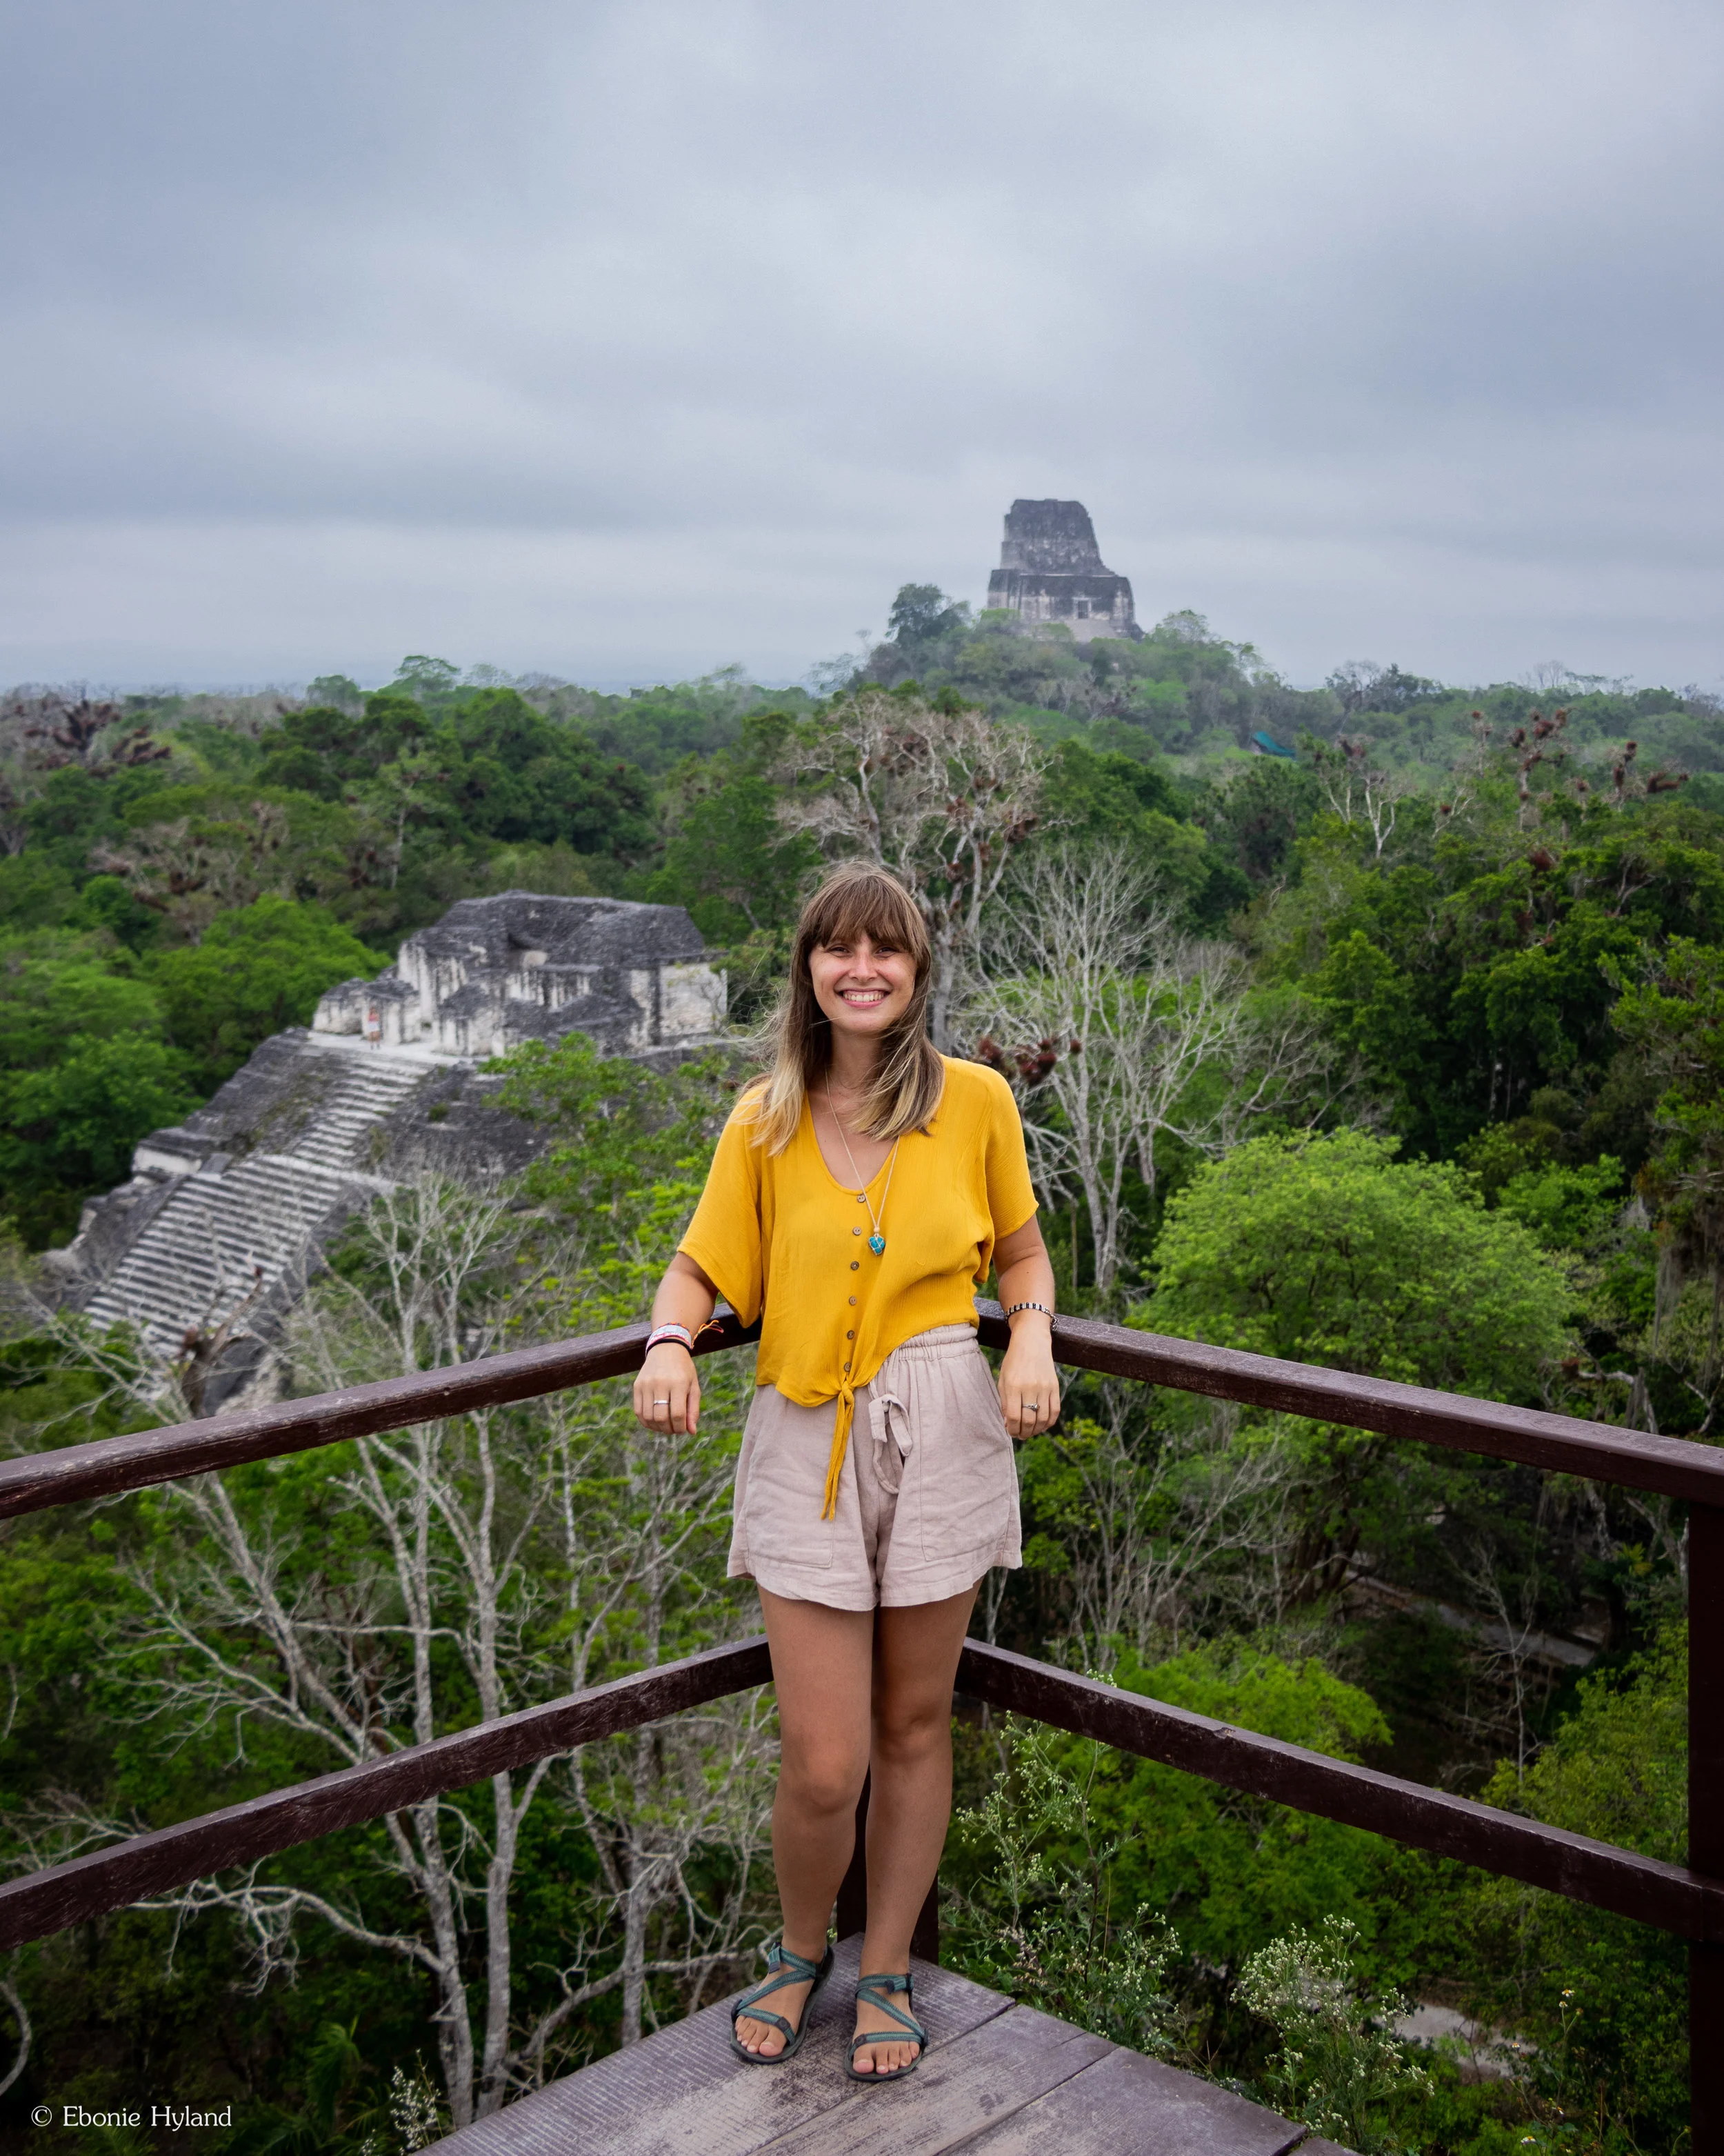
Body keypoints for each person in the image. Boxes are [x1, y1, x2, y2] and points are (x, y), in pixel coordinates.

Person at [632, 861, 1061, 2084]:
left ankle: (887, 1968)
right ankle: (797, 1946)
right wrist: (671, 1342)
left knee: (916, 1722)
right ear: (810, 972)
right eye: (839, 949)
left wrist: (1028, 1332)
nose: (862, 968)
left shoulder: (975, 1100)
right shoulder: (763, 1117)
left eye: (889, 950)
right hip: (803, 1432)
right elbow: (695, 1272)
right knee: (825, 1755)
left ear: (918, 974)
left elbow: (1022, 1256)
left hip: (945, 1417)